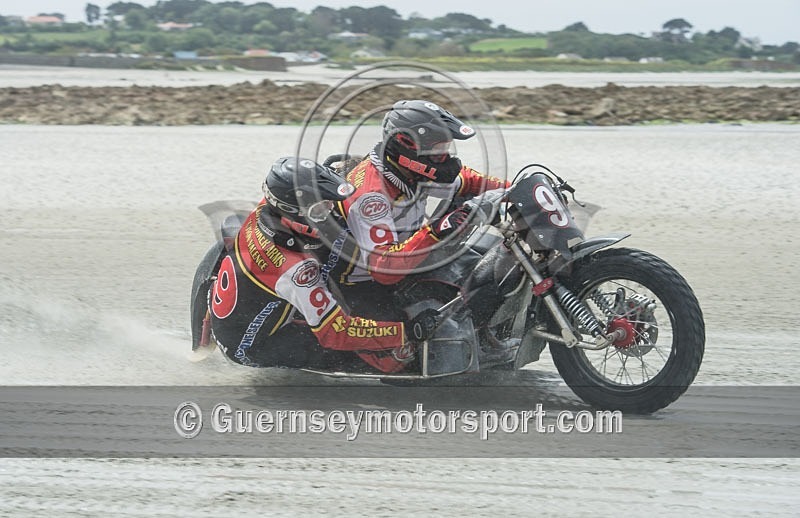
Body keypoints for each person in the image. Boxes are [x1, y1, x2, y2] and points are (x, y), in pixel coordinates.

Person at [207, 157, 436, 374]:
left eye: (329, 203)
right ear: (294, 213)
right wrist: (405, 333)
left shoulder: (271, 205)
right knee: (372, 355)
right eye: (319, 210)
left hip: (243, 304)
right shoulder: (296, 270)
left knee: (337, 245)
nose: (330, 210)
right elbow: (336, 332)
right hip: (254, 344)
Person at [333, 99, 510, 303]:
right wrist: (436, 230)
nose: (444, 158)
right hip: (361, 287)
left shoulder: (408, 170)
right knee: (454, 319)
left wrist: (515, 189)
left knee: (485, 257)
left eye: (445, 148)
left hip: (407, 261)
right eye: (437, 151)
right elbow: (384, 269)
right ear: (406, 144)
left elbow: (470, 181)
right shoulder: (372, 197)